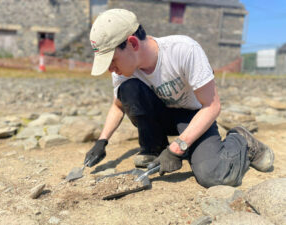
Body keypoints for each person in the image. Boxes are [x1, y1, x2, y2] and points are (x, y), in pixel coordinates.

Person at [84, 8, 274, 187]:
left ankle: (242, 141)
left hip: (193, 116)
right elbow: (118, 106)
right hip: (162, 115)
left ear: (132, 43)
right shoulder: (123, 71)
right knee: (128, 90)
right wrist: (102, 141)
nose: (110, 69)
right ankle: (155, 148)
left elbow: (212, 106)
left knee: (213, 174)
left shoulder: (183, 50)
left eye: (112, 60)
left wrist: (178, 147)